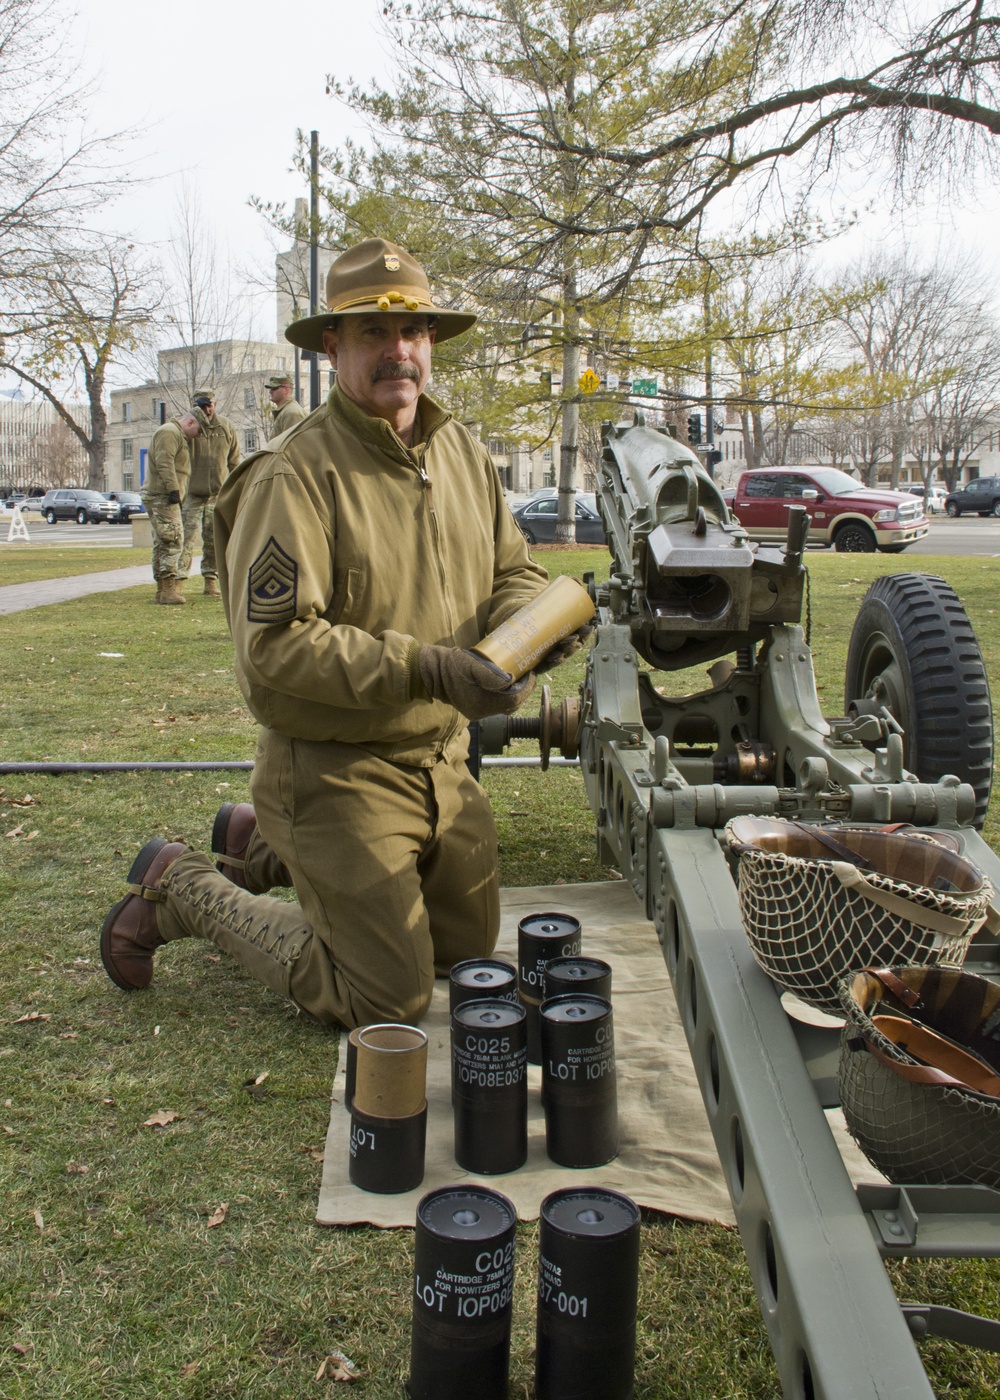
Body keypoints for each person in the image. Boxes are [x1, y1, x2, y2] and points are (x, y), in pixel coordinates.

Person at [100, 238, 588, 1031]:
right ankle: (185, 886)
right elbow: (276, 647)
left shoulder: (460, 449)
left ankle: (263, 846)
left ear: (431, 344)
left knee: (464, 960)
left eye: (414, 332)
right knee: (386, 997)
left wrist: (530, 629)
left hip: (442, 760)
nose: (398, 351)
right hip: (337, 766)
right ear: (333, 347)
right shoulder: (294, 473)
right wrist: (430, 670)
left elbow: (512, 570)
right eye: (372, 333)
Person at [181, 389, 241, 598]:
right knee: (184, 538)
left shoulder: (225, 427)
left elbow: (234, 462)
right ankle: (177, 581)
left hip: (218, 494)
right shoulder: (188, 428)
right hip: (193, 494)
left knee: (214, 540)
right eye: (202, 405)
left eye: (210, 405)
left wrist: (237, 490)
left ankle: (210, 581)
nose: (207, 410)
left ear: (215, 404)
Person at [141, 412, 202, 606]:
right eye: (198, 430)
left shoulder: (175, 433)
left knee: (162, 541)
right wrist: (173, 489)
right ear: (190, 421)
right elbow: (164, 462)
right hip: (163, 496)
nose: (198, 435)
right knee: (173, 539)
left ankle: (162, 590)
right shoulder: (169, 432)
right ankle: (168, 590)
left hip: (161, 495)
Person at [265, 373, 306, 438]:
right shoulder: (285, 411)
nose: (270, 391)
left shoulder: (291, 413)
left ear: (286, 390)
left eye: (274, 388)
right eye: (270, 388)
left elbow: (292, 445)